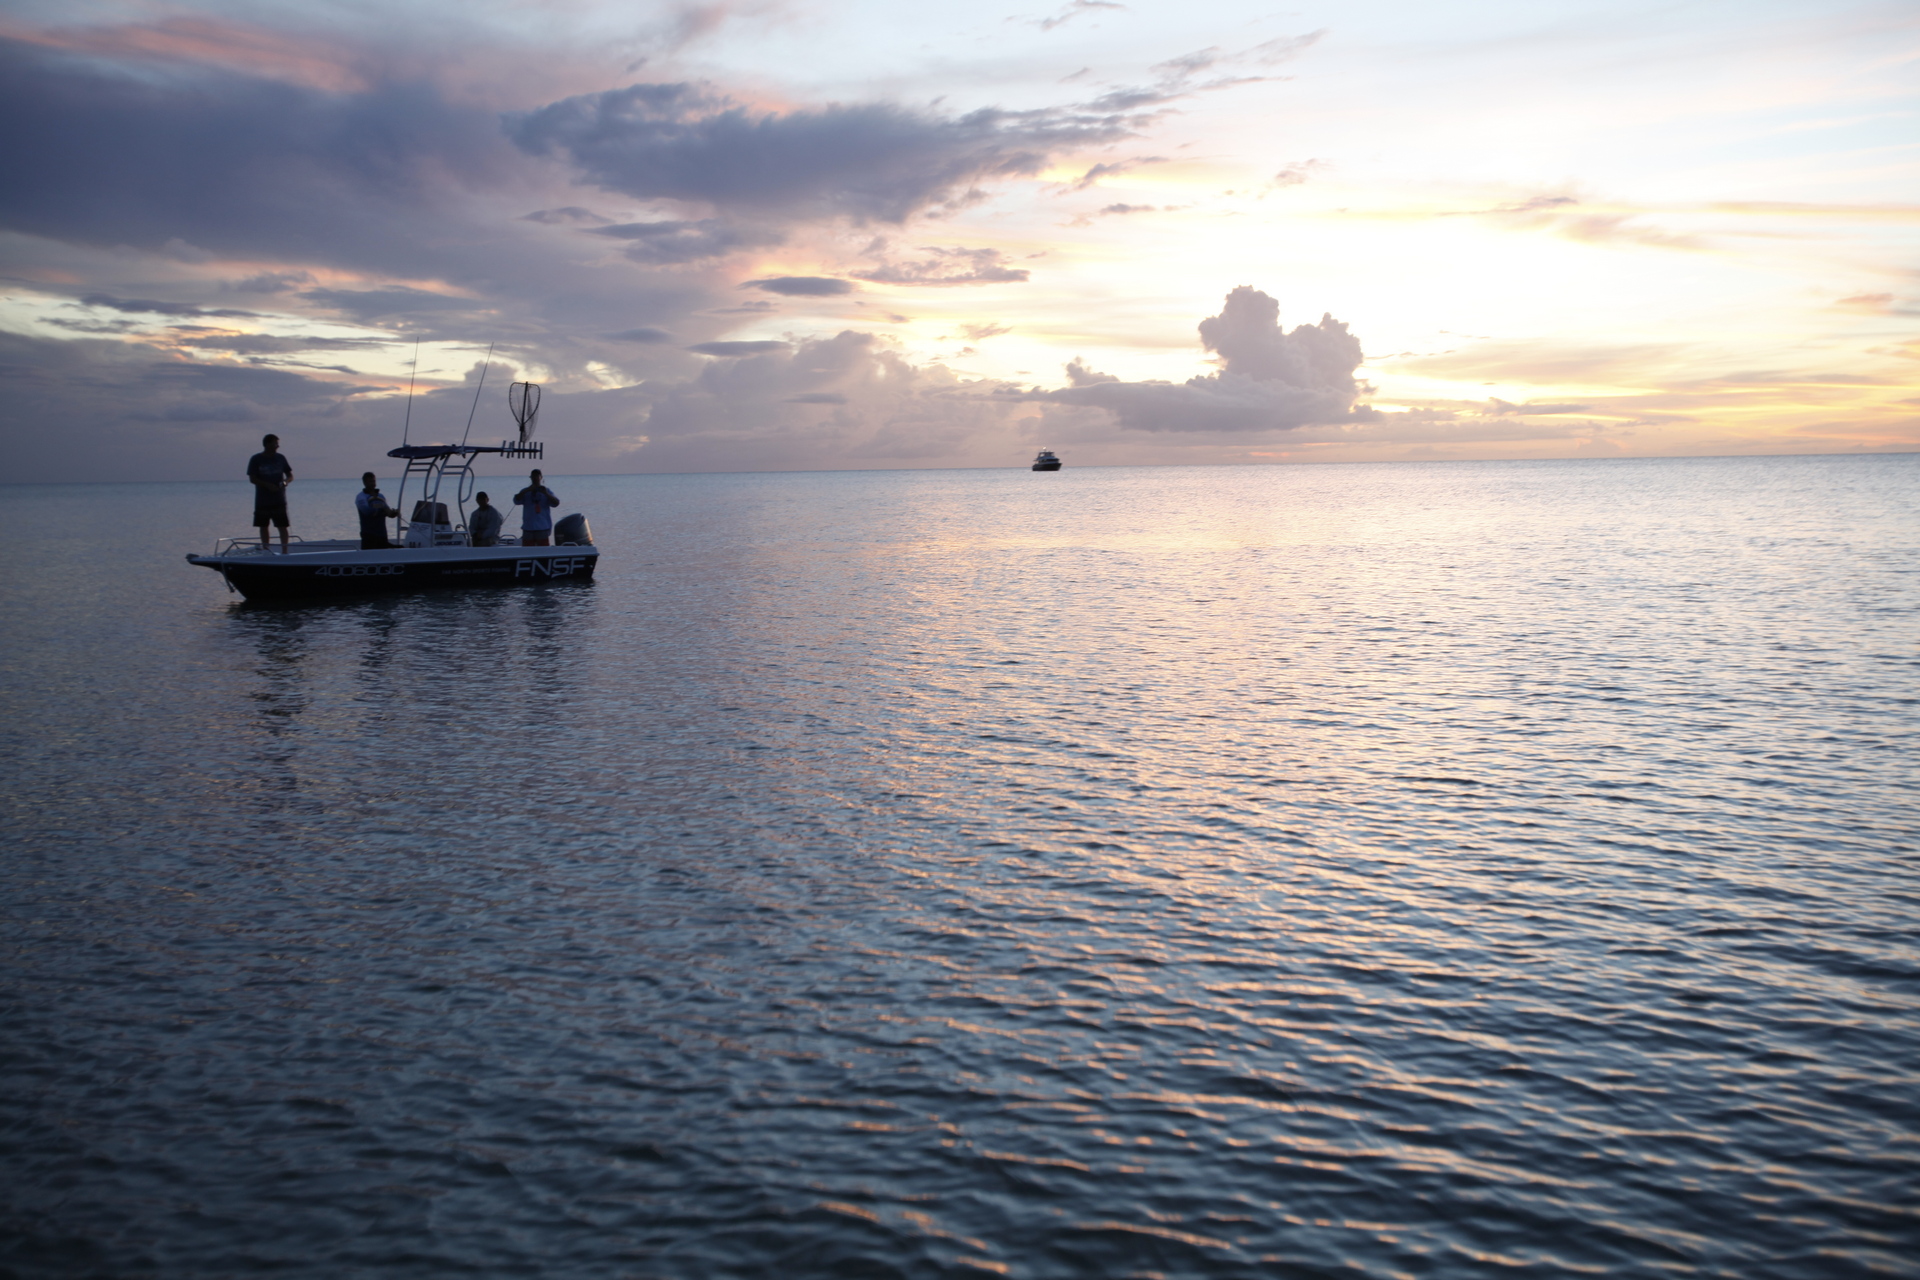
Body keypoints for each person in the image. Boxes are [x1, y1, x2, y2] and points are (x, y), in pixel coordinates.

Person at [247, 433, 293, 553]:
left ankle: (285, 551)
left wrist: (284, 482)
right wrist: (267, 485)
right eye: (275, 443)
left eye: (277, 443)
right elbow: (252, 478)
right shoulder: (256, 459)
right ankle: (266, 549)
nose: (277, 446)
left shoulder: (281, 458)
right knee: (263, 526)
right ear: (267, 444)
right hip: (263, 500)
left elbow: (290, 475)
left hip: (279, 499)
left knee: (282, 526)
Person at [513, 469, 559, 548]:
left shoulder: (547, 491)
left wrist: (546, 494)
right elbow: (516, 501)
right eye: (533, 476)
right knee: (527, 551)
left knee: (543, 550)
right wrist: (527, 490)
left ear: (541, 478)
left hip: (542, 527)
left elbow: (556, 503)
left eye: (537, 476)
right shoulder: (525, 491)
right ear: (530, 478)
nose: (535, 478)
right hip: (528, 527)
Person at [355, 472, 395, 550]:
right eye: (370, 482)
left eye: (374, 481)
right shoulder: (361, 497)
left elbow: (388, 511)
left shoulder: (381, 496)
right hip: (369, 535)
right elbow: (367, 512)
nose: (373, 484)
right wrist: (381, 509)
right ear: (364, 483)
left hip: (382, 534)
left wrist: (393, 513)